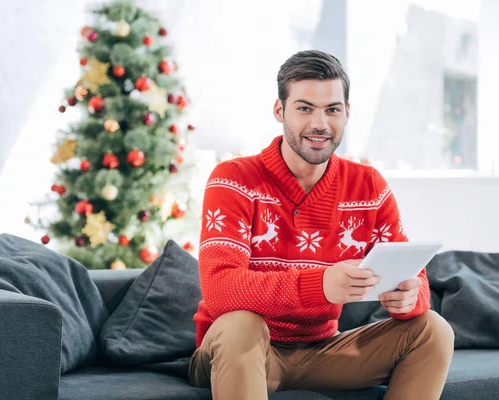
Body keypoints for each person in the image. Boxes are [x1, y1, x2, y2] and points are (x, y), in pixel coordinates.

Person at [189, 50, 454, 400]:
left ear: (347, 113)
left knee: (434, 329)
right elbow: (220, 290)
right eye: (304, 108)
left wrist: (411, 298)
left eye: (332, 110)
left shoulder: (369, 186)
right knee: (241, 324)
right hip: (237, 351)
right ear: (279, 111)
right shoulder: (234, 179)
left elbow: (414, 278)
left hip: (323, 352)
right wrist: (320, 285)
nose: (320, 124)